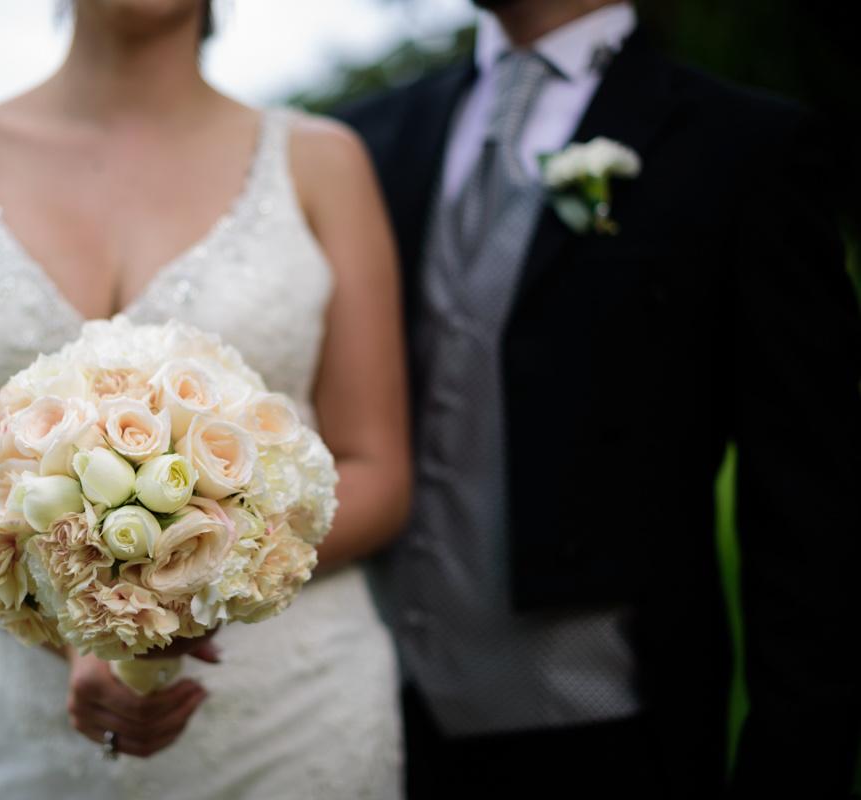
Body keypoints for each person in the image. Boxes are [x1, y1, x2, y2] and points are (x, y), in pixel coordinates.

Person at [0, 0, 412, 797]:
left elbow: (378, 468)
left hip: (290, 718)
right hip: (21, 726)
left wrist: (190, 591)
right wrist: (73, 625)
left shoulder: (322, 161)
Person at [337, 0, 861, 797]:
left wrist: (795, 766)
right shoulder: (366, 139)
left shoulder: (745, 147)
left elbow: (804, 501)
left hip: (610, 727)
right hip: (371, 715)